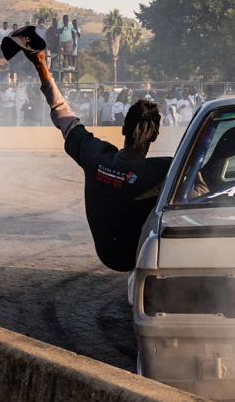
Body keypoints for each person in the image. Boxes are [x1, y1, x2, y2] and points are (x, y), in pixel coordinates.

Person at [23, 46, 172, 271]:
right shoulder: (165, 171)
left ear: (123, 129)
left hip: (107, 253)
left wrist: (40, 64)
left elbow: (64, 115)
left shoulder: (97, 157)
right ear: (155, 136)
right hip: (141, 255)